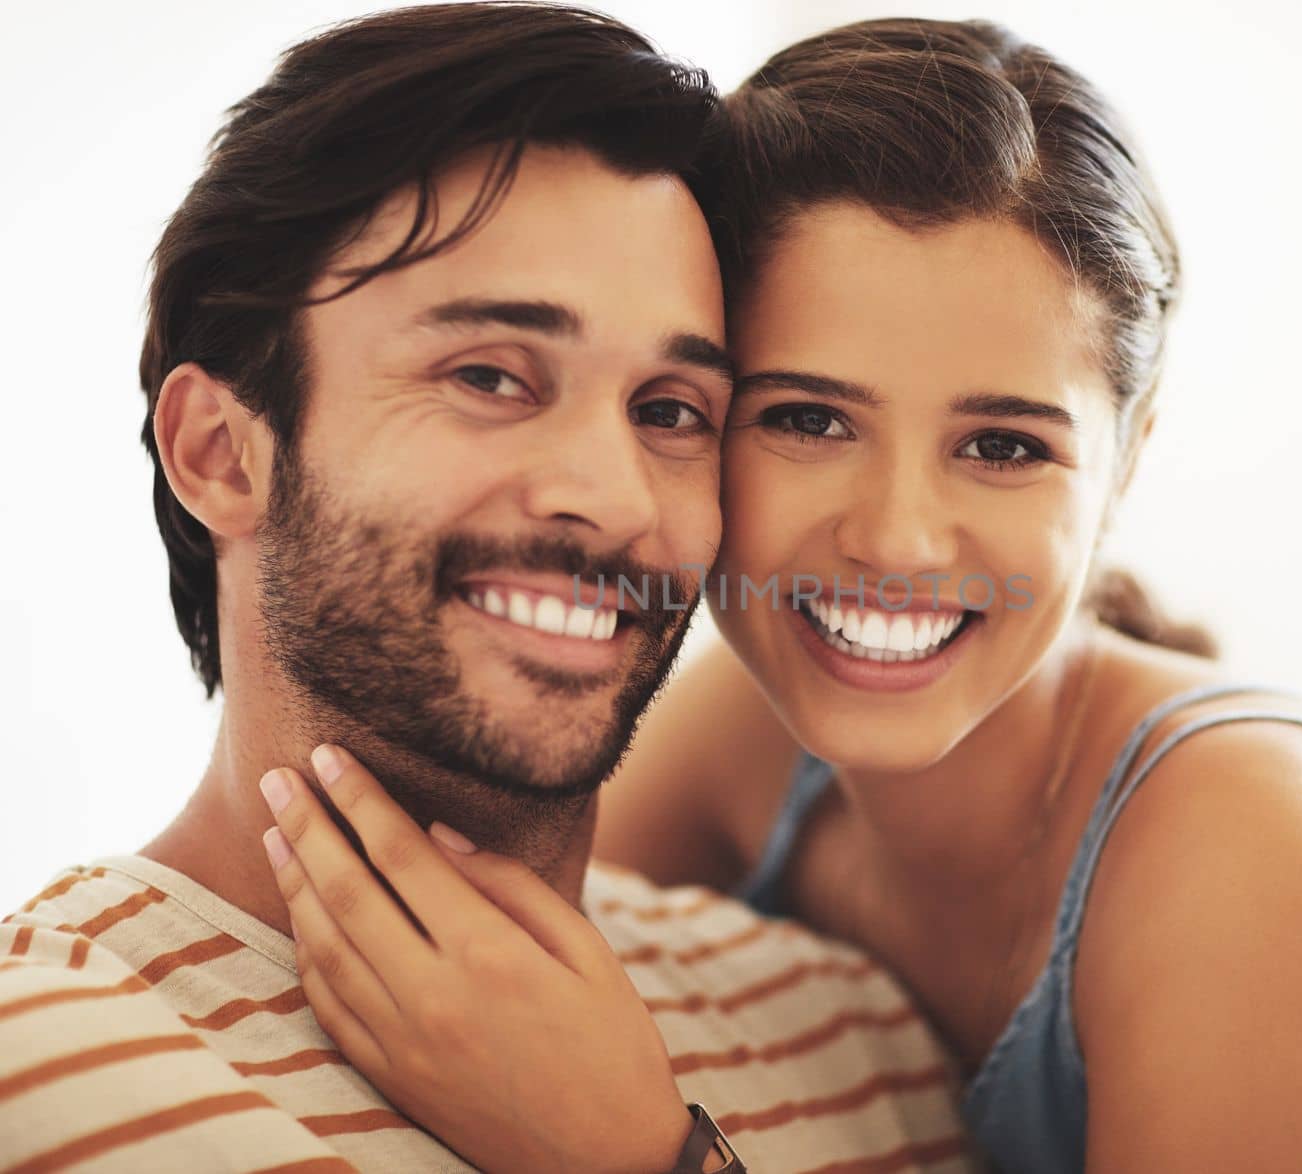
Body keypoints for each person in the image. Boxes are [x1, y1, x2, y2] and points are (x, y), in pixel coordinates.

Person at [263, 15, 1302, 1174]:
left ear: (1127, 457)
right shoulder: (743, 736)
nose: (898, 538)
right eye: (806, 420)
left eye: (1004, 445)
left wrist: (643, 1153)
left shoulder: (1258, 848)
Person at [0, 7, 980, 1172]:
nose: (614, 499)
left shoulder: (853, 1031)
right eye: (491, 376)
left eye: (671, 411)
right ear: (221, 451)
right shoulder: (41, 1060)